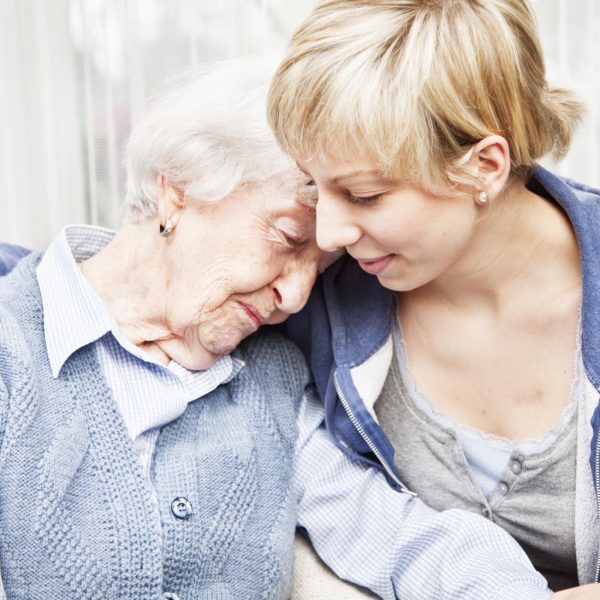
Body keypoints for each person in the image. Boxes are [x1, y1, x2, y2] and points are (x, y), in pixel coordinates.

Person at [0, 57, 555, 600]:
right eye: (289, 239)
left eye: (319, 269)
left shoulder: (271, 381)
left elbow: (398, 535)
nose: (294, 297)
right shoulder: (13, 348)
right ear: (180, 192)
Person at [267, 0, 600, 596]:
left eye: (365, 195)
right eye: (314, 185)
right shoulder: (323, 299)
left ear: (484, 167)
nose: (328, 235)